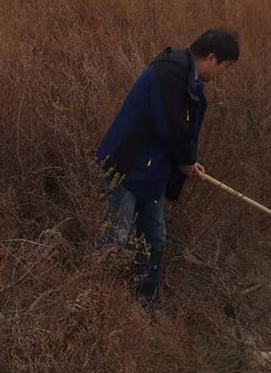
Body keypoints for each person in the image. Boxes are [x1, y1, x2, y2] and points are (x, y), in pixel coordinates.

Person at [95, 29, 240, 304]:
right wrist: (185, 161)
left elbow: (184, 131)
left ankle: (145, 303)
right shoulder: (169, 74)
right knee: (116, 238)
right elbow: (171, 127)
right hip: (126, 167)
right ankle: (95, 302)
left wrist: (189, 161)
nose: (223, 74)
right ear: (212, 58)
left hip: (153, 172)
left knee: (154, 238)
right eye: (226, 67)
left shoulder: (191, 81)